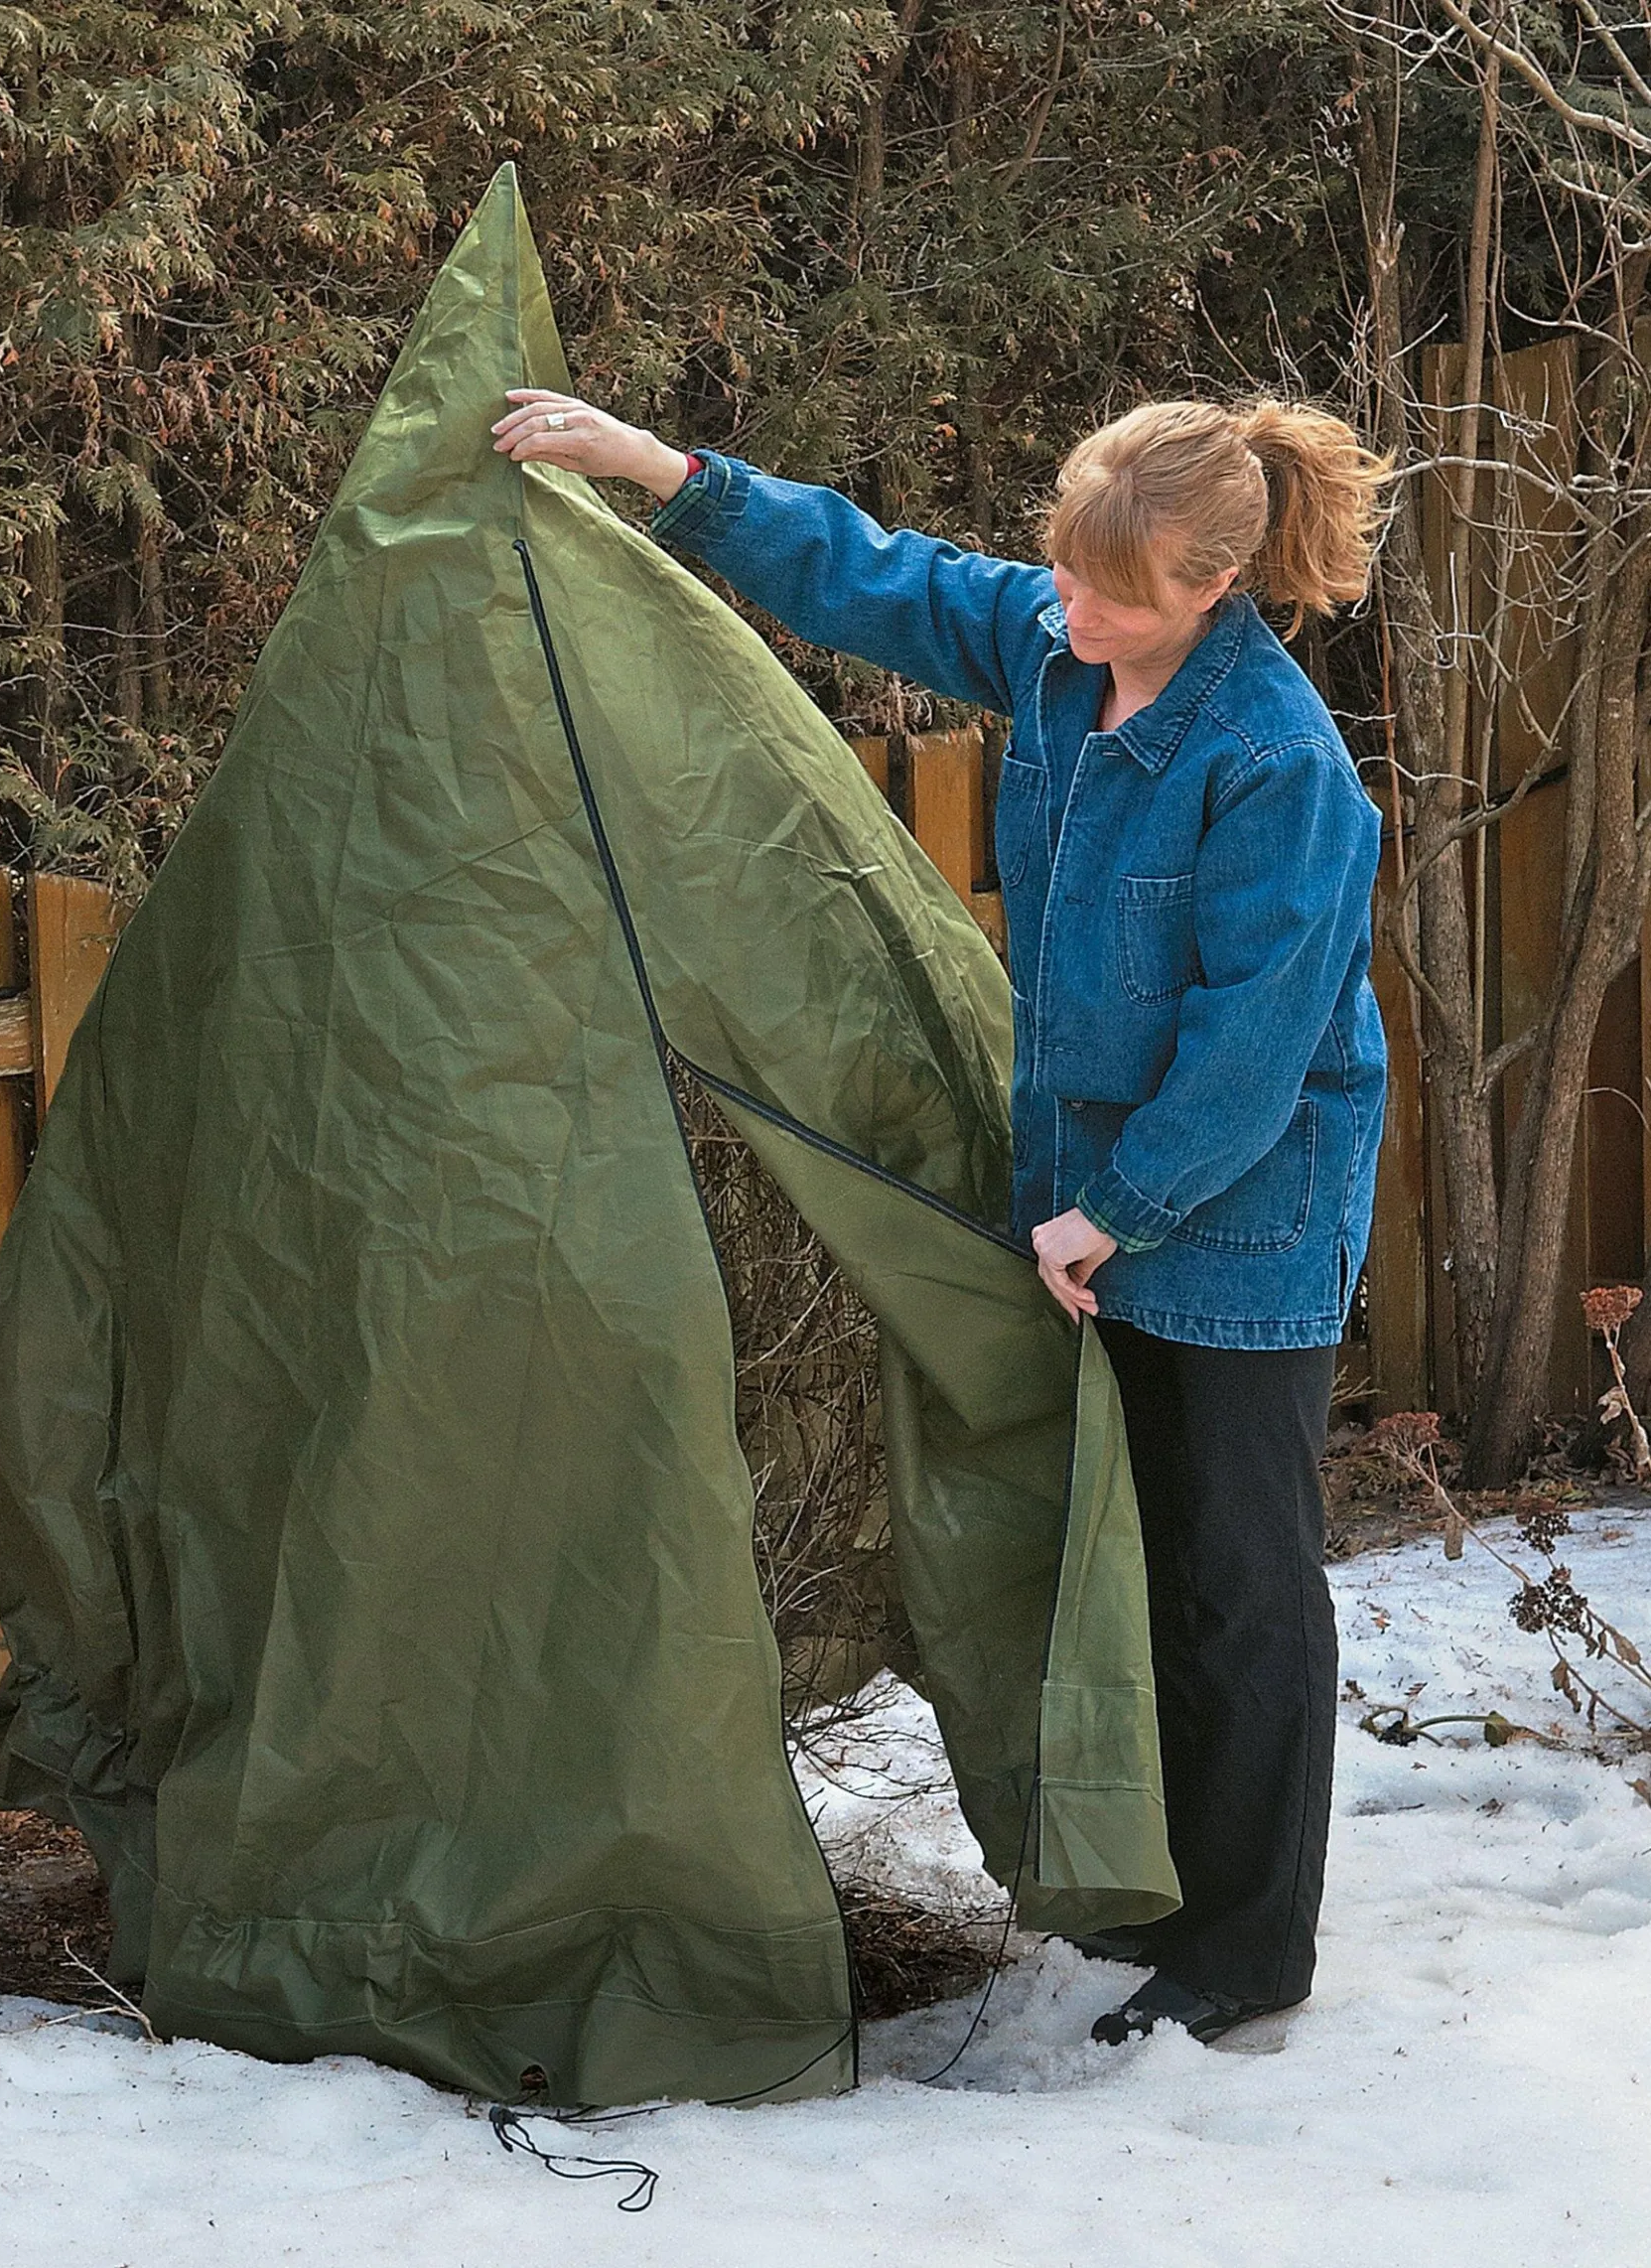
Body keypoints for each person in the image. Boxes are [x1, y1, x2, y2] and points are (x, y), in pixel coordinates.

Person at [490, 385, 1393, 2049]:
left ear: (1211, 588)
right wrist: (658, 472)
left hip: (1239, 1212)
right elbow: (876, 574)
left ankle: (1250, 1949)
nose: (1072, 609)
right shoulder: (1058, 653)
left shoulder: (1278, 763)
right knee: (1125, 1554)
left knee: (1235, 1582)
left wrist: (1113, 1210)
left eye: (1112, 590)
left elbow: (1256, 1045)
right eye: (1064, 572)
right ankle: (1162, 1887)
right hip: (1094, 1206)